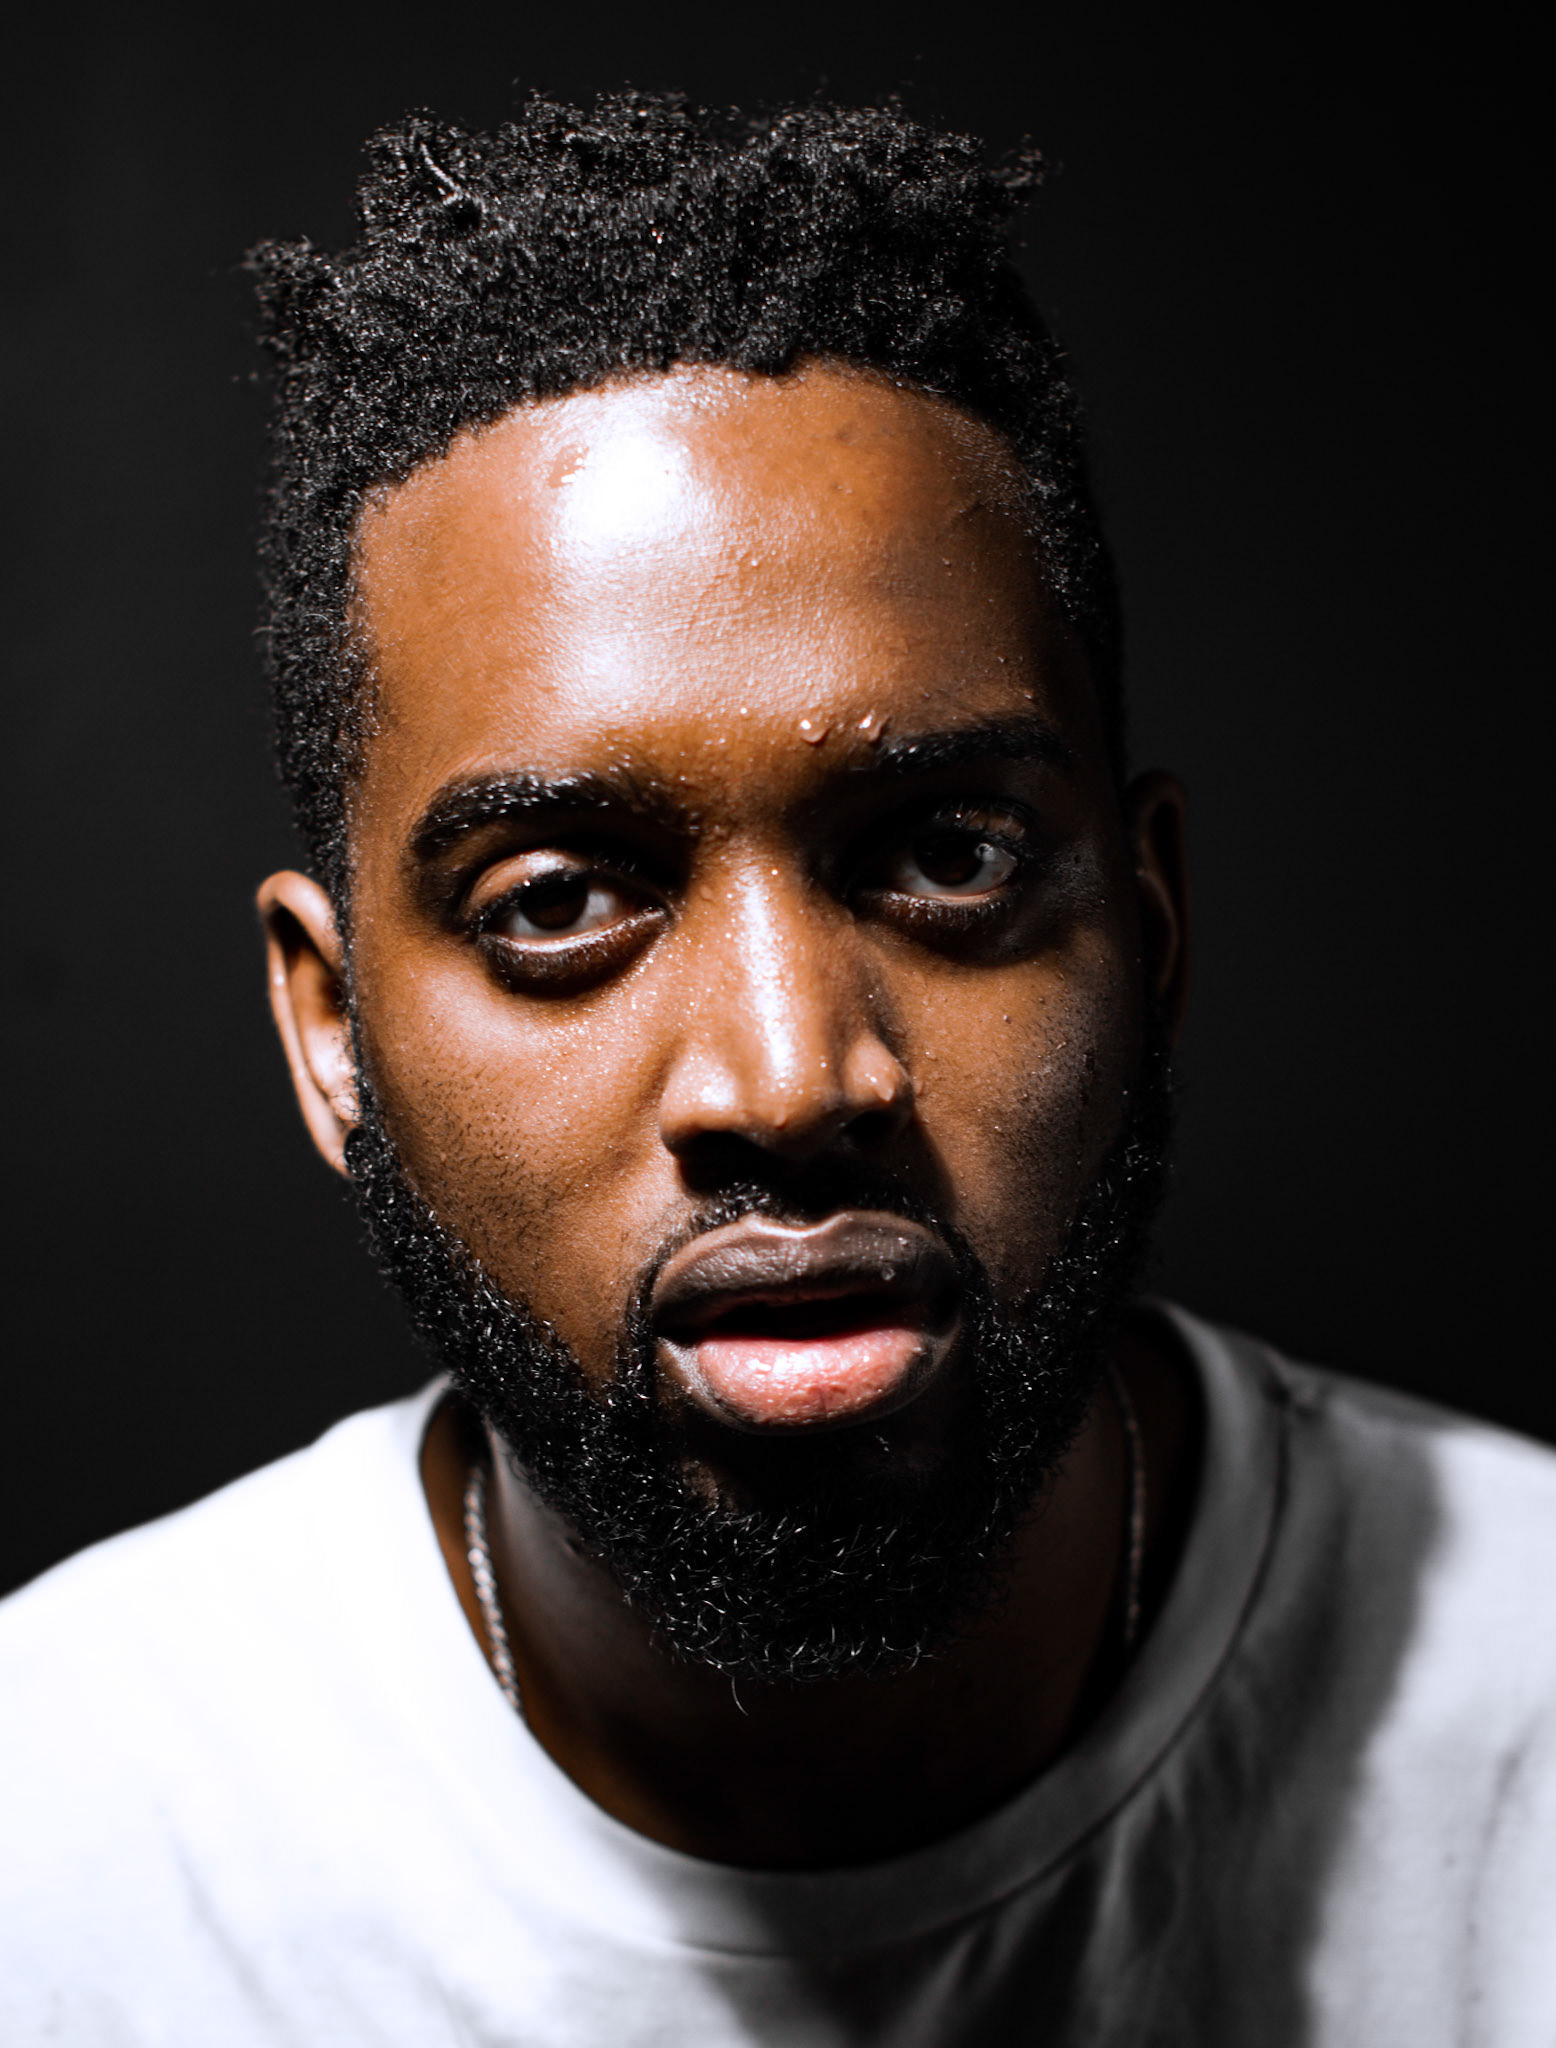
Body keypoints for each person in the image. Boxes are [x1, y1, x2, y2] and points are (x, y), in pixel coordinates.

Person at [1, 93, 1551, 2048]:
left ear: (1150, 931)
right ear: (333, 1034)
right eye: (559, 899)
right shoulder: (57, 1850)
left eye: (949, 856)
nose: (788, 1077)